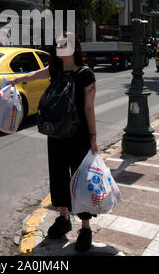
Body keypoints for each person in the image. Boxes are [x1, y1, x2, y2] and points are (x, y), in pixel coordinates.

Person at [7, 33, 98, 253]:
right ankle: (63, 218)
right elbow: (35, 75)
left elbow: (88, 108)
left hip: (79, 135)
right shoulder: (56, 70)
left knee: (80, 179)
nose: (58, 46)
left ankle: (85, 228)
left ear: (74, 47)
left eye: (63, 43)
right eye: (57, 43)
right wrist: (16, 80)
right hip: (56, 133)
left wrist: (94, 138)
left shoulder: (85, 74)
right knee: (58, 175)